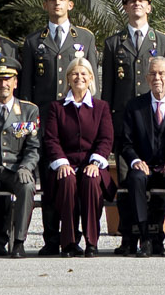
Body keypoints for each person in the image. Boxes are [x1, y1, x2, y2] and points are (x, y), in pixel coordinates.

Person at [117, 53, 165, 255]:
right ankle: (144, 239)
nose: (157, 78)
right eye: (153, 74)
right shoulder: (135, 106)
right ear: (147, 78)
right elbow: (126, 143)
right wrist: (135, 160)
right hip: (145, 165)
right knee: (135, 178)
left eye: (162, 73)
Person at [45, 55, 115, 255]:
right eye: (74, 74)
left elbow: (106, 139)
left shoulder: (101, 107)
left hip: (91, 165)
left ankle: (92, 242)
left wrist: (95, 163)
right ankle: (69, 242)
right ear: (68, 78)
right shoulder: (56, 108)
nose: (79, 77)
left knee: (91, 181)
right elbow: (51, 139)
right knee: (67, 180)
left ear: (91, 77)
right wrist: (62, 163)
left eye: (83, 73)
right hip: (65, 165)